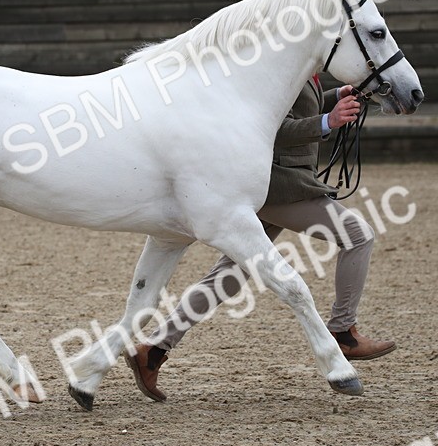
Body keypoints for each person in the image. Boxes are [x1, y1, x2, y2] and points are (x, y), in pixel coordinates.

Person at [126, 75, 396, 402]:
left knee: (228, 275)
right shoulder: (278, 64)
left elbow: (297, 106)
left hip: (283, 182)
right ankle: (343, 331)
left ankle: (153, 350)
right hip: (283, 186)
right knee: (357, 235)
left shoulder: (301, 65)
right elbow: (273, 127)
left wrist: (333, 96)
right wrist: (329, 120)